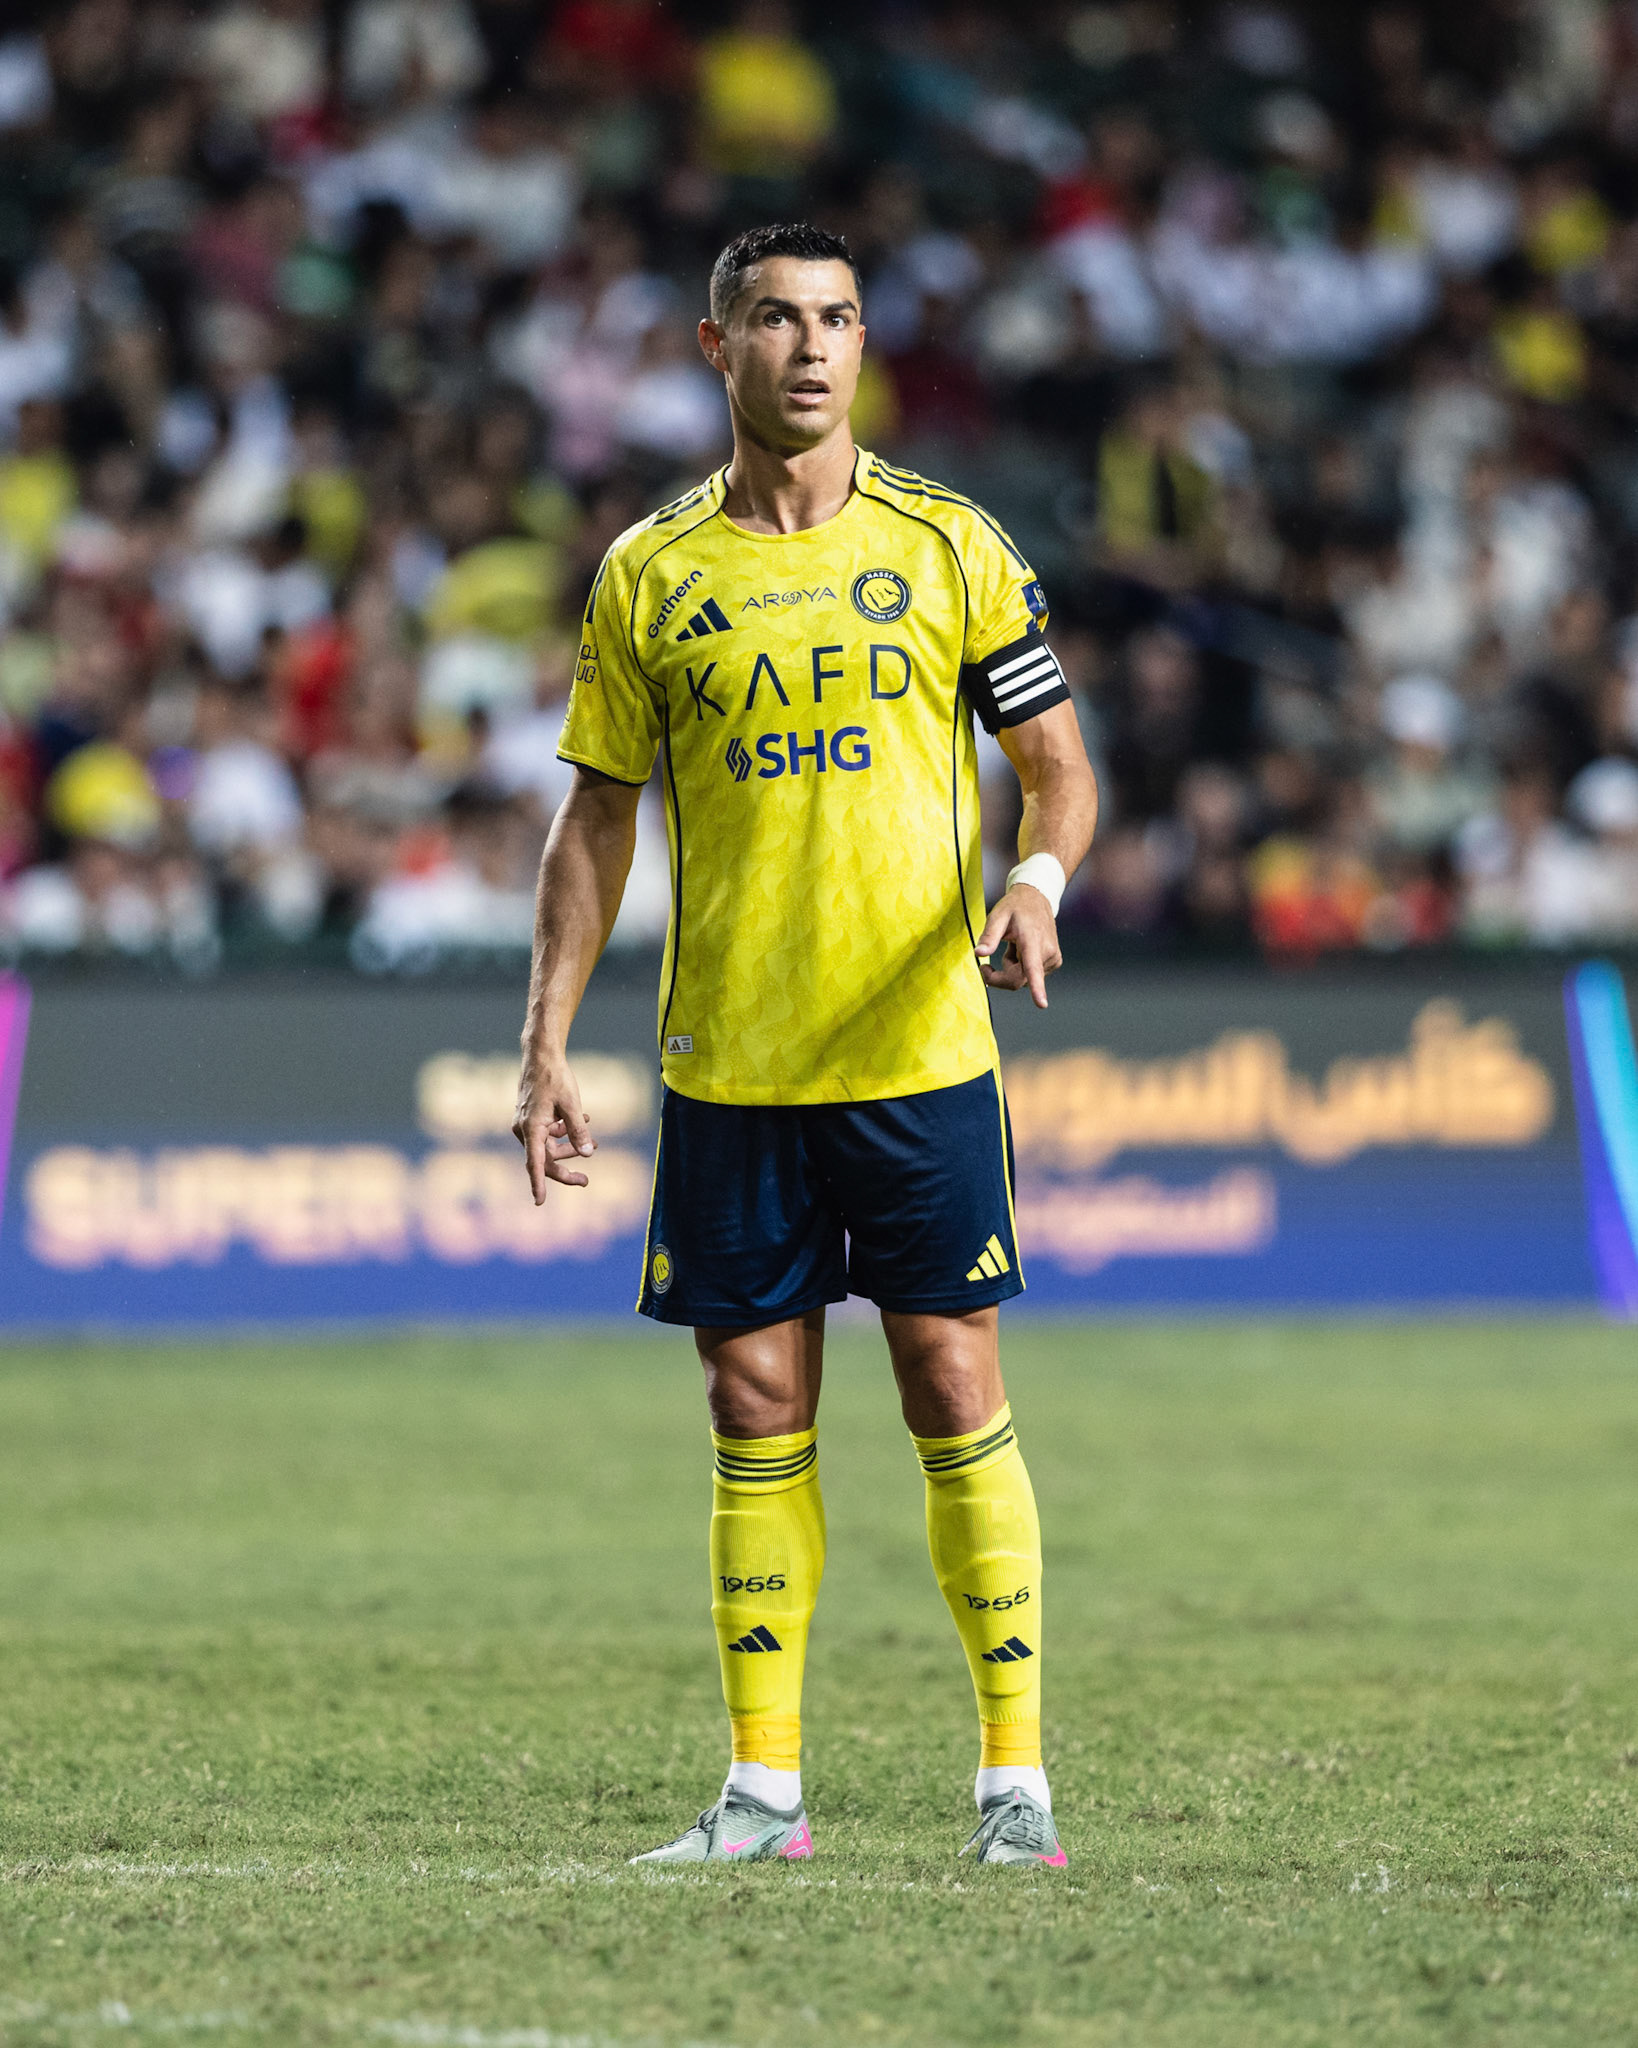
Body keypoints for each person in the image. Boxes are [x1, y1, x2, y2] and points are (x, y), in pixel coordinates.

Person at [512, 222, 1099, 1868]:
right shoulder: (650, 573)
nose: (812, 346)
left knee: (948, 1377)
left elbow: (1060, 766)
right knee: (752, 1402)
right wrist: (542, 1042)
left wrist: (1038, 880)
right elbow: (593, 825)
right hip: (729, 1063)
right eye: (775, 318)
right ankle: (764, 1796)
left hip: (917, 1047)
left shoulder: (950, 544)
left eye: (837, 317)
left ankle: (1013, 1789)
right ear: (719, 349)